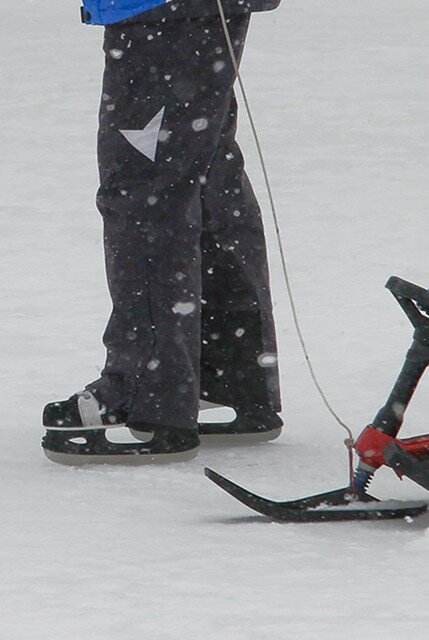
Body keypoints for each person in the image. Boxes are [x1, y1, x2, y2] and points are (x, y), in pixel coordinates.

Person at [42, 0, 283, 464]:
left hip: (160, 10)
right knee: (204, 172)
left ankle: (148, 396)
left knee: (146, 190)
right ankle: (225, 376)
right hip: (188, 11)